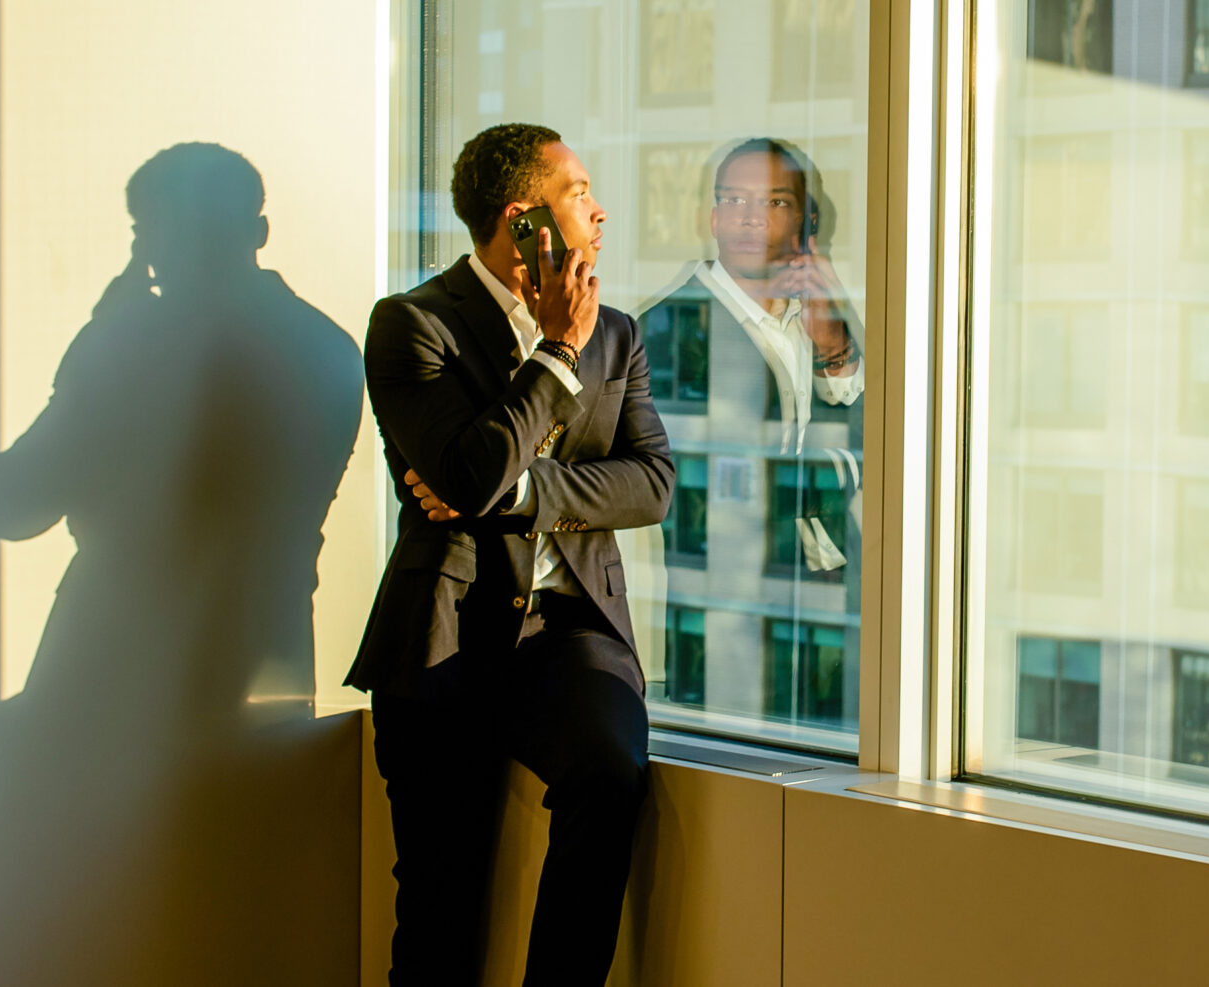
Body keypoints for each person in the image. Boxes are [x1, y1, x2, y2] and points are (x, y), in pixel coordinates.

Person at [348, 122, 672, 986]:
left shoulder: (621, 332)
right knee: (439, 913)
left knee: (611, 777)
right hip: (444, 635)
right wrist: (558, 351)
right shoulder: (413, 324)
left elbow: (652, 482)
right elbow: (466, 467)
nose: (599, 212)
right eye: (578, 194)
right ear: (522, 217)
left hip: (572, 633)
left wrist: (525, 495)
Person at [640, 137, 863, 584]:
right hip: (733, 594)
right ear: (715, 218)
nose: (750, 217)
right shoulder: (667, 330)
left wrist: (834, 346)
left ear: (807, 221)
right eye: (734, 199)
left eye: (774, 202)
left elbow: (872, 440)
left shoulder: (820, 315)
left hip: (825, 583)